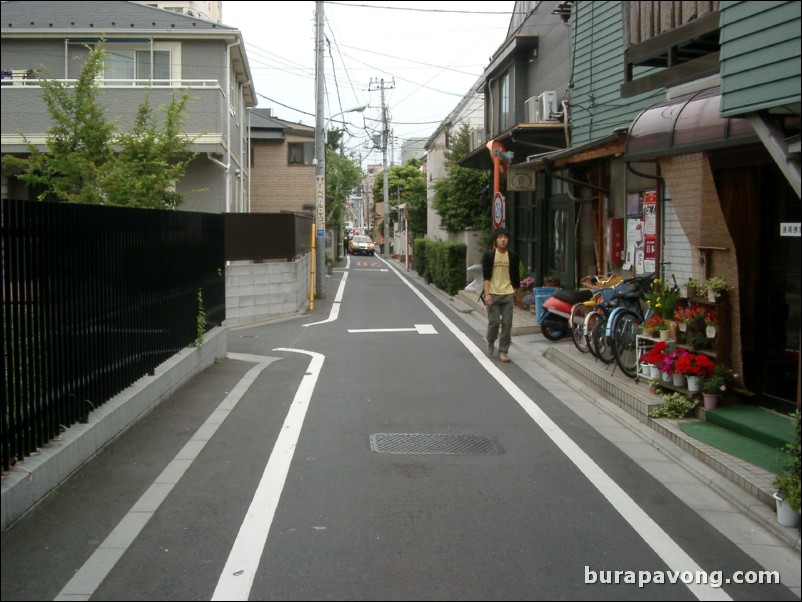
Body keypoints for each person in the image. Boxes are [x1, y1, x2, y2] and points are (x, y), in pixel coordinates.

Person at [481, 227, 520, 362]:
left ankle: (503, 351)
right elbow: (486, 277)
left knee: (507, 324)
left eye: (505, 237)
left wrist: (518, 295)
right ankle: (491, 341)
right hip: (493, 293)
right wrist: (487, 294)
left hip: (508, 293)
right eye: (500, 237)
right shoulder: (489, 256)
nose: (503, 240)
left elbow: (515, 277)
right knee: (494, 322)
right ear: (495, 240)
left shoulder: (513, 256)